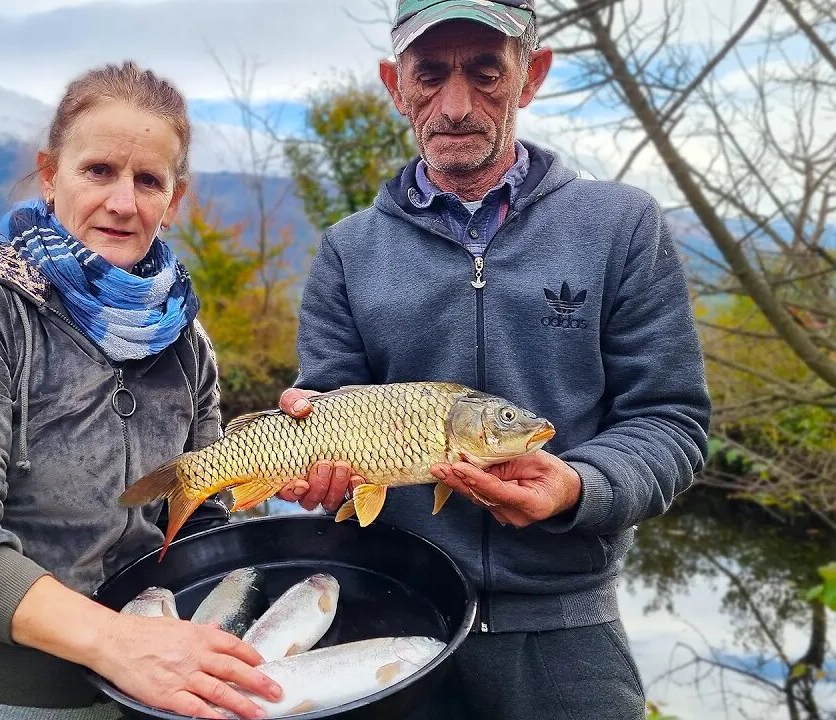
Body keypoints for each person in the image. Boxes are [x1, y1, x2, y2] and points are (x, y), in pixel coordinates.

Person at [274, 2, 712, 718]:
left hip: (567, 627)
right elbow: (329, 401)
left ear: (530, 76)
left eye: (485, 73)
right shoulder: (348, 250)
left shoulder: (622, 227)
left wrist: (578, 485)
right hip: (395, 611)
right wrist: (316, 463)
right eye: (429, 74)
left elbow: (670, 420)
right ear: (395, 84)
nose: (454, 106)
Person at [0, 62, 281, 720]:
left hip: (134, 692)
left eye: (148, 179)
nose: (124, 201)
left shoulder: (184, 338)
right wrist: (119, 643)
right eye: (99, 171)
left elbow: (202, 518)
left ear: (172, 200)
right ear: (49, 174)